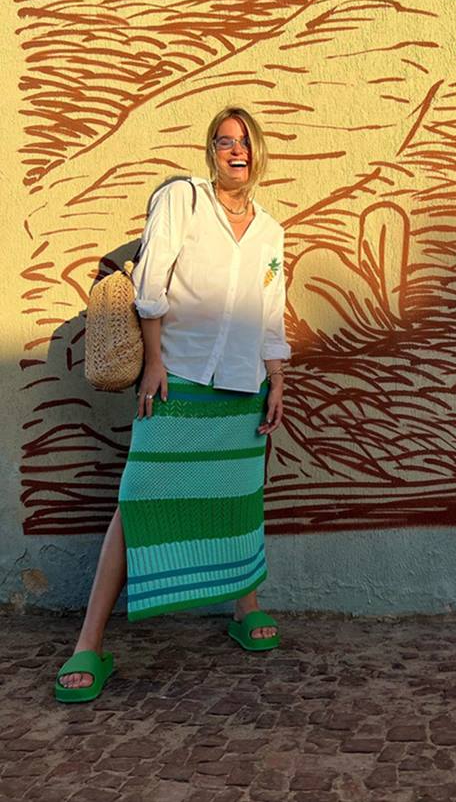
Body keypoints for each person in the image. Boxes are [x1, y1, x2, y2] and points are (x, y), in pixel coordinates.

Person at [54, 106, 291, 702]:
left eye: (244, 142)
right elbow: (151, 284)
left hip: (243, 383)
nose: (235, 151)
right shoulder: (181, 200)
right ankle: (89, 642)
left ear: (258, 152)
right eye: (223, 141)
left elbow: (269, 314)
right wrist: (154, 362)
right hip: (179, 375)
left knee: (239, 495)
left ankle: (246, 607)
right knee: (138, 499)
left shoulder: (269, 230)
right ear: (210, 152)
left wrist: (277, 379)